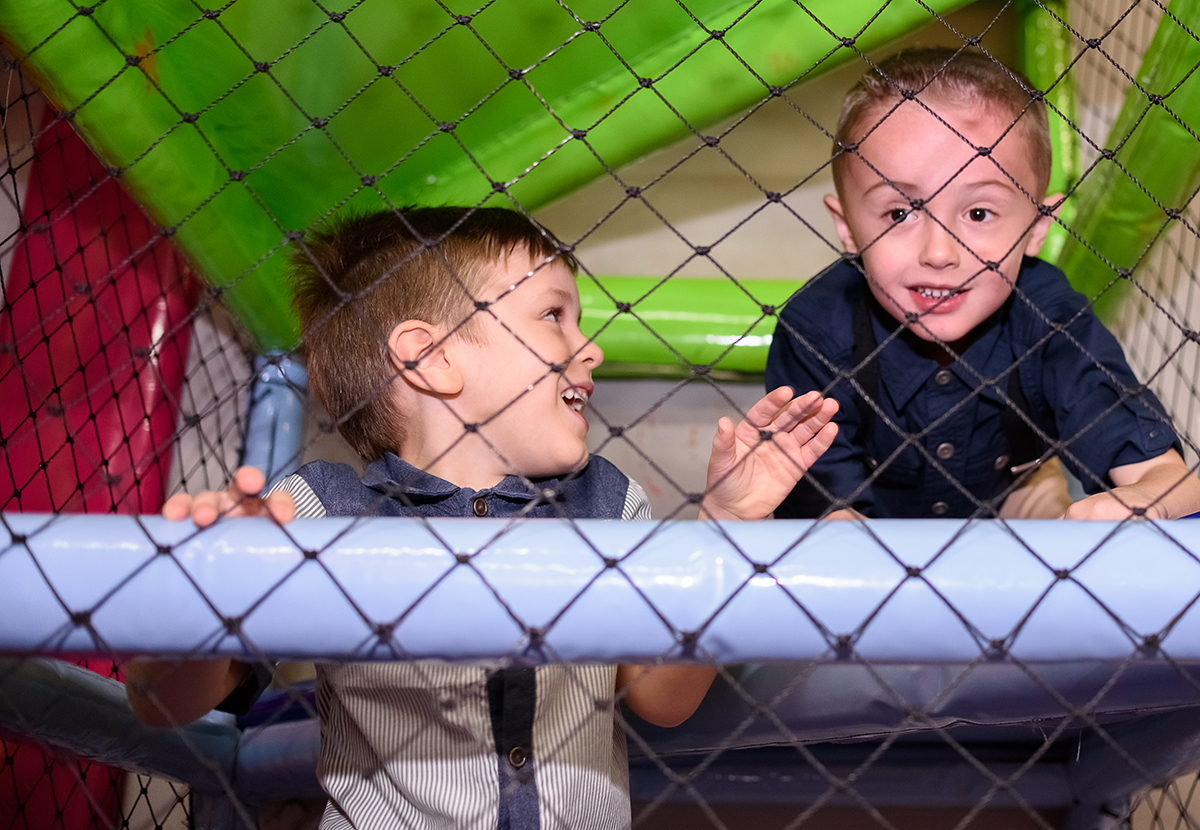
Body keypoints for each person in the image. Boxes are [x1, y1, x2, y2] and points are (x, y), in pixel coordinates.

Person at [126, 206, 839, 829]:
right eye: (554, 316)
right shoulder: (316, 514)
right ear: (430, 357)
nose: (589, 348)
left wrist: (726, 525)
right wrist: (209, 591)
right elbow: (164, 703)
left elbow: (662, 700)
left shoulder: (606, 507)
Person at [766, 46, 1200, 521]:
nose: (938, 252)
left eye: (978, 213)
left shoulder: (1049, 317)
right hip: (871, 527)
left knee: (1049, 505)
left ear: (1037, 227)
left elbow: (1170, 480)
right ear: (846, 225)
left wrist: (1141, 502)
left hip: (1009, 497)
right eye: (899, 212)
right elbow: (824, 519)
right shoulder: (816, 329)